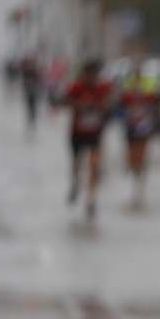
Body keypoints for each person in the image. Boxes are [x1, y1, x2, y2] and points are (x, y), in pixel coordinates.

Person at [65, 59, 112, 223]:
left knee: (94, 165)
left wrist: (103, 106)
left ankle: (91, 199)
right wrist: (80, 105)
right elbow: (66, 101)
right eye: (89, 75)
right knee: (77, 163)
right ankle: (75, 183)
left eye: (94, 75)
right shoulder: (77, 87)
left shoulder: (102, 88)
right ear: (84, 75)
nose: (92, 78)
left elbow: (110, 103)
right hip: (78, 133)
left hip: (95, 134)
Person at [119, 63, 160, 207]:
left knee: (141, 152)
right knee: (131, 155)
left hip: (143, 124)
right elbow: (121, 103)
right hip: (131, 125)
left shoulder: (149, 84)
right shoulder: (127, 84)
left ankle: (140, 175)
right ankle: (134, 170)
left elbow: (155, 102)